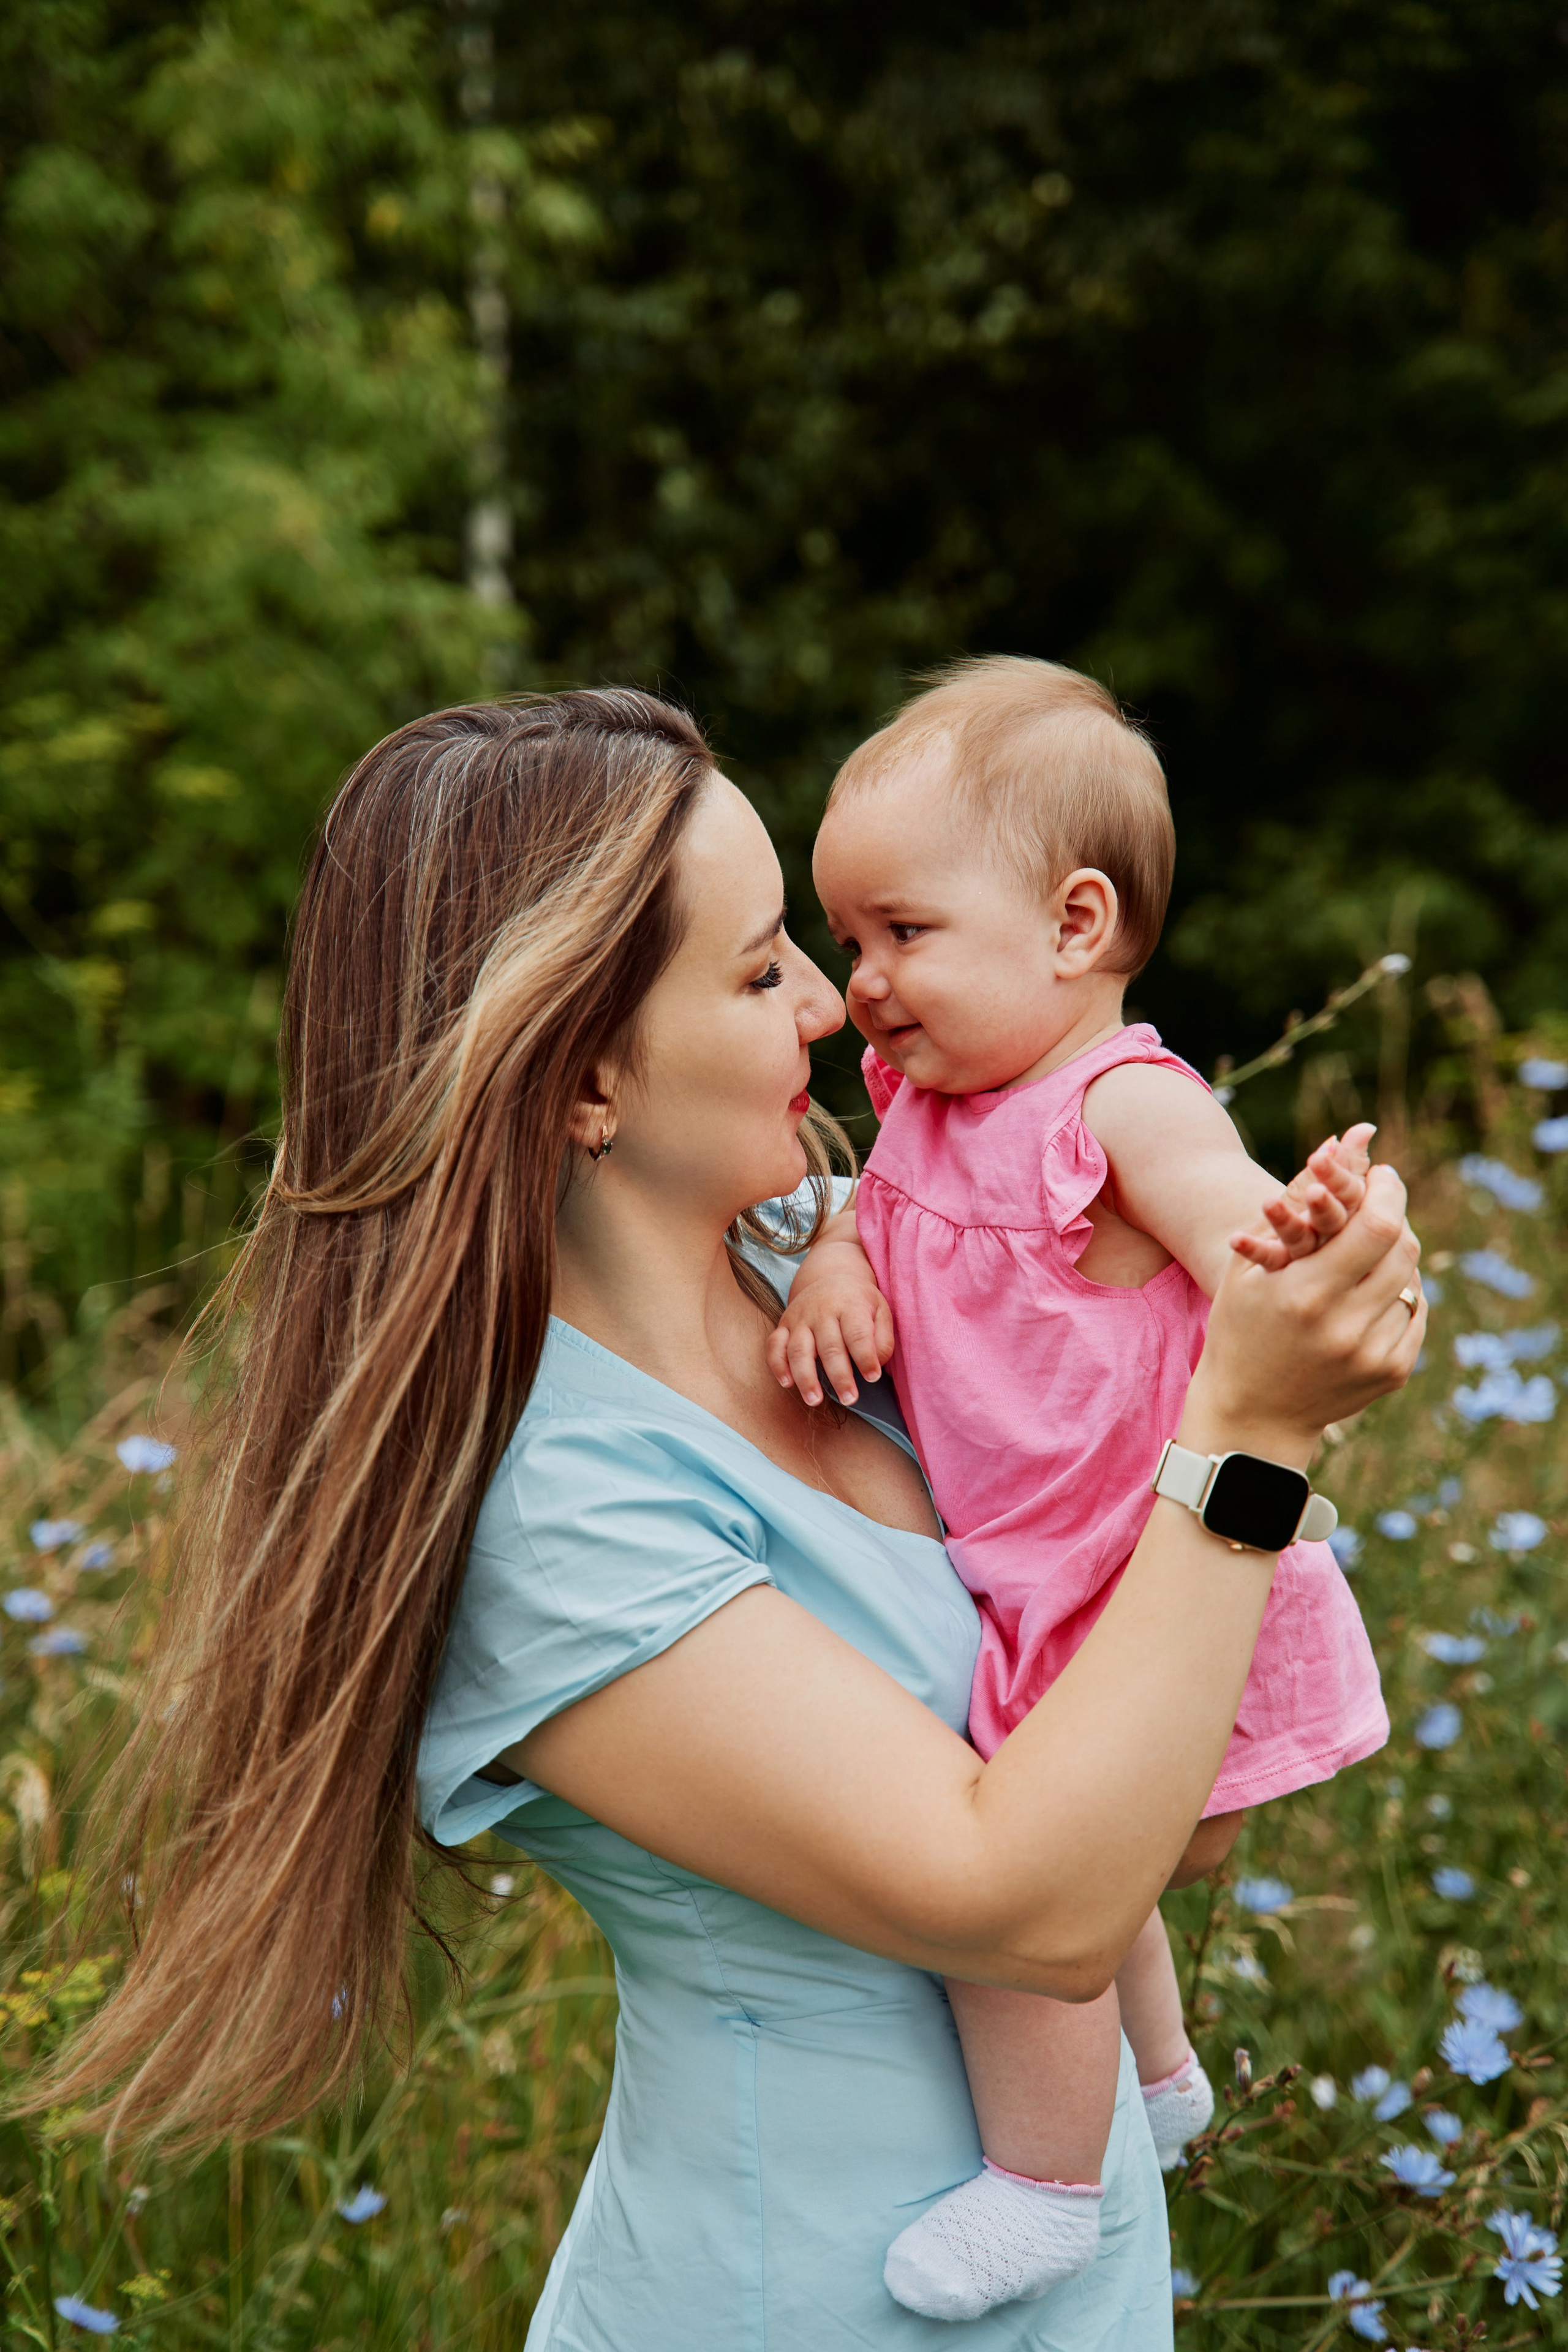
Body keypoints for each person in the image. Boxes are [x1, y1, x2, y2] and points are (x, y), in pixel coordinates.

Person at [34, 692, 1423, 2352]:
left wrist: (1264, 1285)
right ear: (583, 1077)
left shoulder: (826, 1278)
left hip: (1071, 2293)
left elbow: (1150, 1751)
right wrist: (1252, 1434)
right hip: (803, 2301)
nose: (837, 1005)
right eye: (766, 971)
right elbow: (1036, 1905)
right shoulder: (558, 1512)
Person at [774, 655, 1391, 2319]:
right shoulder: (925, 1102)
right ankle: (1163, 2075)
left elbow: (1235, 1229)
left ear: (1074, 925)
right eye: (848, 940)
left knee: (1022, 1883)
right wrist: (834, 1261)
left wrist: (1298, 1233)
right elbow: (870, 1206)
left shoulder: (1117, 1106)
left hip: (1126, 1576)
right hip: (1023, 1568)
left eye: (903, 931)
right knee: (1074, 1850)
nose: (862, 984)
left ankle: (1046, 2184)